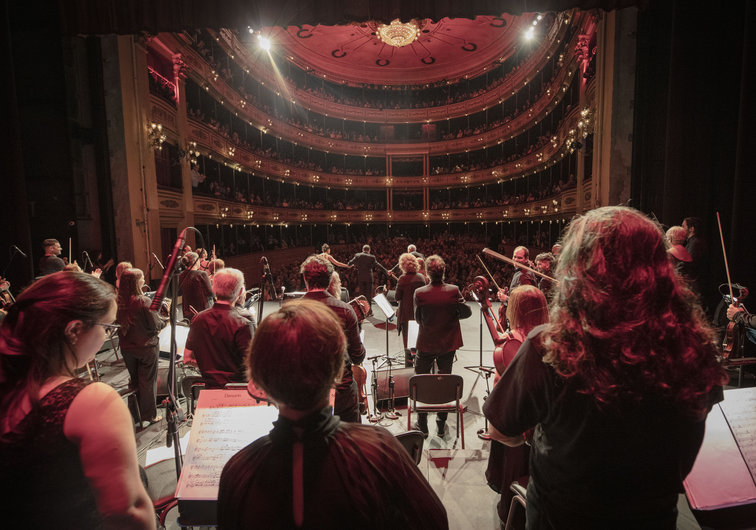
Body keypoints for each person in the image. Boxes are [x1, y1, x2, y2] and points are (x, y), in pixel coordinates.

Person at [483, 206, 725, 529]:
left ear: (578, 269)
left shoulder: (550, 344)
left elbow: (501, 430)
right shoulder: (696, 350)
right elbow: (686, 455)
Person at [217, 299, 448, 530]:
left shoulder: (238, 472)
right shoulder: (379, 451)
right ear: (338, 371)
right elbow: (434, 523)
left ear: (259, 382)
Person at [0, 272, 155, 529]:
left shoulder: (10, 388)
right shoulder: (92, 401)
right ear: (74, 330)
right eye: (106, 327)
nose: (107, 337)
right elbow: (130, 515)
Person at [485, 285, 548, 526]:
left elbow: (502, 392)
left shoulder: (513, 340)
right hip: (542, 429)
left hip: (517, 424)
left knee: (513, 467)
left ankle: (509, 514)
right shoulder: (552, 340)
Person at [301, 255, 365, 422]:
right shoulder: (345, 310)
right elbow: (358, 356)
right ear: (330, 280)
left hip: (307, 394)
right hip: (341, 394)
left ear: (305, 279)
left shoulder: (290, 311)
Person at [413, 254, 471, 437]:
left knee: (421, 381)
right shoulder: (454, 290)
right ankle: (440, 424)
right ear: (444, 271)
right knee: (445, 381)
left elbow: (417, 319)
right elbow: (465, 312)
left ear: (427, 272)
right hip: (448, 343)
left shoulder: (420, 293)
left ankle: (422, 424)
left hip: (426, 343)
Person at [184, 268, 255, 389]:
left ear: (213, 289)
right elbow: (253, 367)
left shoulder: (197, 319)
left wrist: (210, 370)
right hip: (237, 391)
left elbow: (187, 358)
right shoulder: (243, 323)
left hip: (209, 390)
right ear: (240, 291)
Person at [116, 268, 166, 426]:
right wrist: (164, 320)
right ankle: (149, 416)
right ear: (136, 282)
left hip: (126, 348)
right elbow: (155, 325)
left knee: (135, 381)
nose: (144, 280)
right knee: (148, 381)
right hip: (146, 348)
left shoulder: (118, 302)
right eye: (142, 278)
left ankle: (135, 415)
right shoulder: (143, 301)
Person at [394, 252, 426, 367]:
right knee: (418, 342)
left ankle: (408, 367)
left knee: (407, 343)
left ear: (402, 265)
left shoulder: (402, 279)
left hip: (406, 315)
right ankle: (420, 367)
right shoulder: (421, 278)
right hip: (419, 315)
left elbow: (397, 297)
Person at [348, 244, 389, 308]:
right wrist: (386, 271)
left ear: (362, 249)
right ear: (369, 250)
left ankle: (363, 309)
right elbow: (378, 266)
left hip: (361, 277)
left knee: (362, 294)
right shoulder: (372, 257)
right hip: (369, 278)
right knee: (369, 295)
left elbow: (349, 263)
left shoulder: (358, 255)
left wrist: (355, 264)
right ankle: (369, 310)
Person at [179, 251, 213, 321]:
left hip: (187, 311)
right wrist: (212, 284)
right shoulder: (202, 274)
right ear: (195, 260)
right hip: (202, 311)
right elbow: (210, 293)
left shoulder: (180, 275)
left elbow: (180, 292)